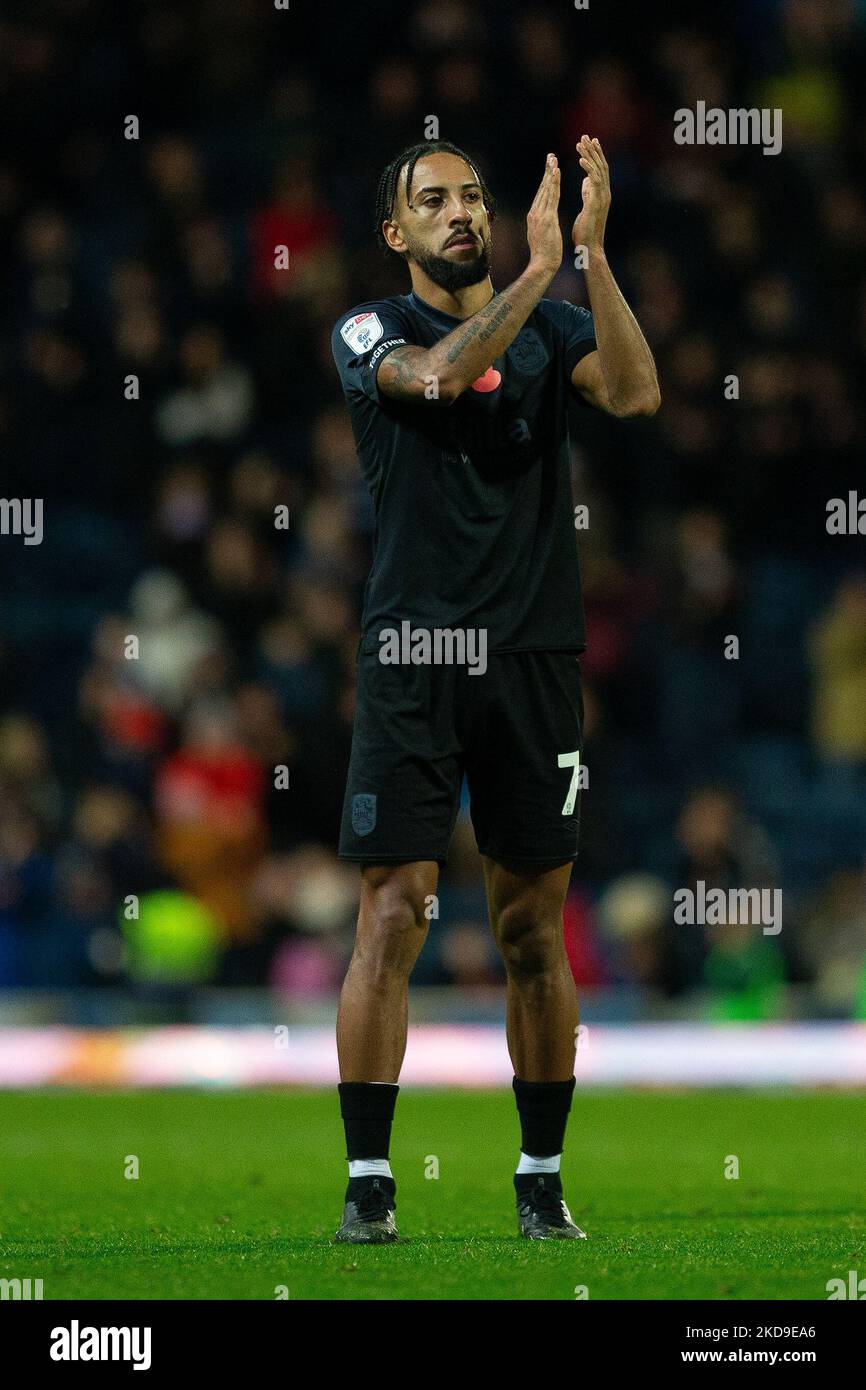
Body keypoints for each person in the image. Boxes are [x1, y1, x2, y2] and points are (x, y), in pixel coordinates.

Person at [330, 137, 659, 1242]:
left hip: (530, 659)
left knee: (532, 931)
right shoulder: (369, 331)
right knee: (394, 912)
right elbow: (429, 379)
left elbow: (633, 391)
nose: (460, 212)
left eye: (471, 194)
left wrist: (590, 262)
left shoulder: (554, 324)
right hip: (413, 658)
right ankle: (369, 1185)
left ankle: (539, 1180)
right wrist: (531, 273)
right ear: (396, 233)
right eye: (433, 200)